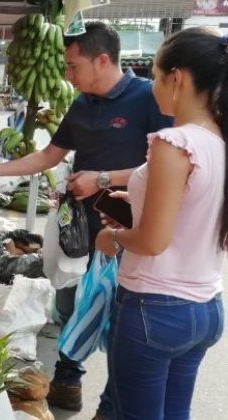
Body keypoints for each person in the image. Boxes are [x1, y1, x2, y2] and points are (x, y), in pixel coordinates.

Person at [0, 22, 172, 417]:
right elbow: (48, 156)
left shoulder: (148, 99)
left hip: (128, 231)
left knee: (119, 317)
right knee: (73, 303)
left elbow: (165, 166)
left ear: (103, 60)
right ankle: (68, 380)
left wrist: (103, 179)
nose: (68, 75)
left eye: (74, 66)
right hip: (79, 229)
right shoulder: (81, 104)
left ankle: (111, 402)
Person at [94, 27, 225, 420]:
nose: (152, 83)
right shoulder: (219, 142)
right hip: (206, 308)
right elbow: (195, 214)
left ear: (177, 78)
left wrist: (111, 235)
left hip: (155, 310)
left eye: (154, 73)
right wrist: (136, 201)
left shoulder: (173, 142)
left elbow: (152, 241)